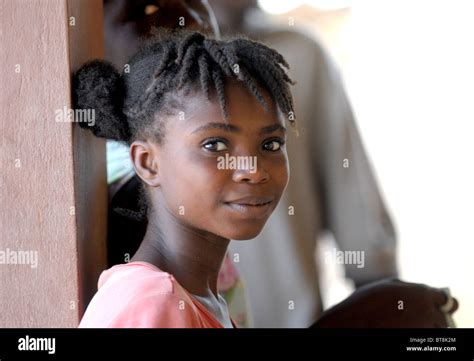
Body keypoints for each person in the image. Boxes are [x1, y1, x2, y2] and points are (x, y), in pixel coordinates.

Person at [75, 29, 296, 327]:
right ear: (148, 163)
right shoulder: (153, 301)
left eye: (270, 144)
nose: (253, 169)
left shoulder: (200, 300)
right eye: (214, 145)